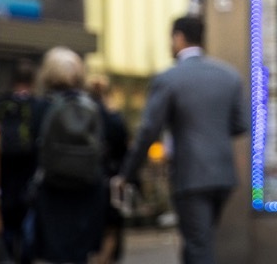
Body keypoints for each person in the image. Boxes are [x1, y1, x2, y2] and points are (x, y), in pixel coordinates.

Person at [114, 15, 248, 264]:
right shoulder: (229, 76)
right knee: (200, 240)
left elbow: (148, 131)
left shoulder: (169, 78)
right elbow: (241, 124)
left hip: (191, 175)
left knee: (198, 245)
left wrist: (127, 173)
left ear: (178, 37)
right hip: (223, 175)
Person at [27, 47, 106, 264]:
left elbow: (32, 146)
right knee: (80, 251)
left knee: (55, 251)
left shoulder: (41, 107)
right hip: (88, 188)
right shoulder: (93, 106)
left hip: (52, 188)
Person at [0, 59, 46, 264]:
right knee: (27, 227)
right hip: (29, 176)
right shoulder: (39, 107)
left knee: (5, 224)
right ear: (33, 80)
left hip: (3, 175)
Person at [86, 74, 129, 264]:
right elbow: (124, 149)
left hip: (85, 178)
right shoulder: (114, 118)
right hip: (109, 179)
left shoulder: (80, 114)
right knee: (110, 228)